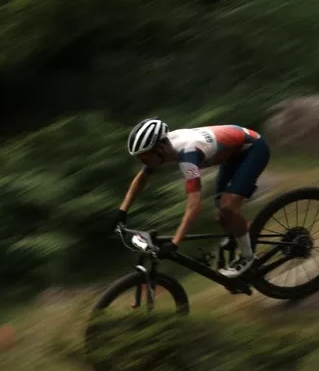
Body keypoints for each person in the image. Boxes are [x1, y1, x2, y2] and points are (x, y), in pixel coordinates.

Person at [115, 118, 271, 278]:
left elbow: (194, 207)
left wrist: (174, 243)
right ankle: (244, 235)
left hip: (253, 149)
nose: (143, 162)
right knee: (222, 217)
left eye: (144, 158)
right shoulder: (164, 146)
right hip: (231, 154)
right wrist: (122, 212)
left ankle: (248, 257)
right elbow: (141, 180)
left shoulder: (188, 155)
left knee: (228, 207)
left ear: (160, 148)